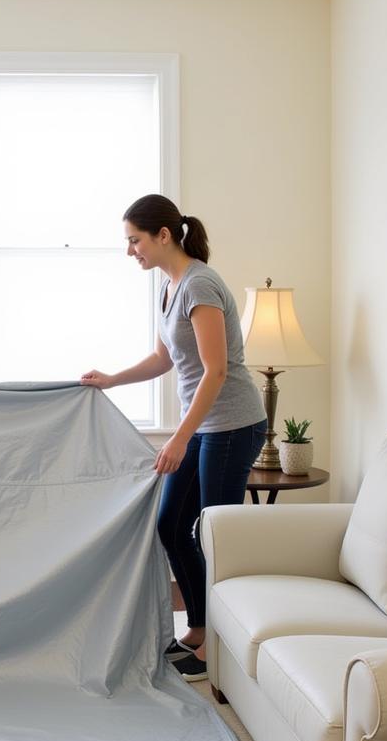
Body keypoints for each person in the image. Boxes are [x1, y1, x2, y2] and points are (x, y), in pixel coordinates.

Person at [81, 194, 266, 683]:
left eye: (134, 240)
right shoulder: (169, 287)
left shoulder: (200, 284)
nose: (130, 252)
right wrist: (112, 379)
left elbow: (217, 370)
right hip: (204, 427)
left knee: (212, 535)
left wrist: (180, 438)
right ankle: (201, 626)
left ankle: (216, 647)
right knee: (170, 525)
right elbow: (164, 360)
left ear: (163, 236)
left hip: (232, 425)